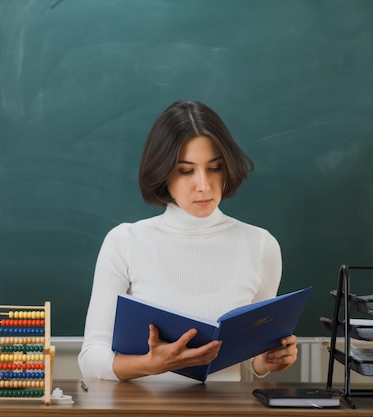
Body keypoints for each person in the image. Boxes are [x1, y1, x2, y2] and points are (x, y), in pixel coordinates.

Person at [78, 99, 297, 382]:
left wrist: (267, 361)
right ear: (163, 171)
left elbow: (250, 359)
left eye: (214, 168)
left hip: (225, 413)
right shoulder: (125, 242)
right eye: (186, 170)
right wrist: (150, 365)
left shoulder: (260, 246)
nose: (204, 185)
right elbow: (90, 359)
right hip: (143, 412)